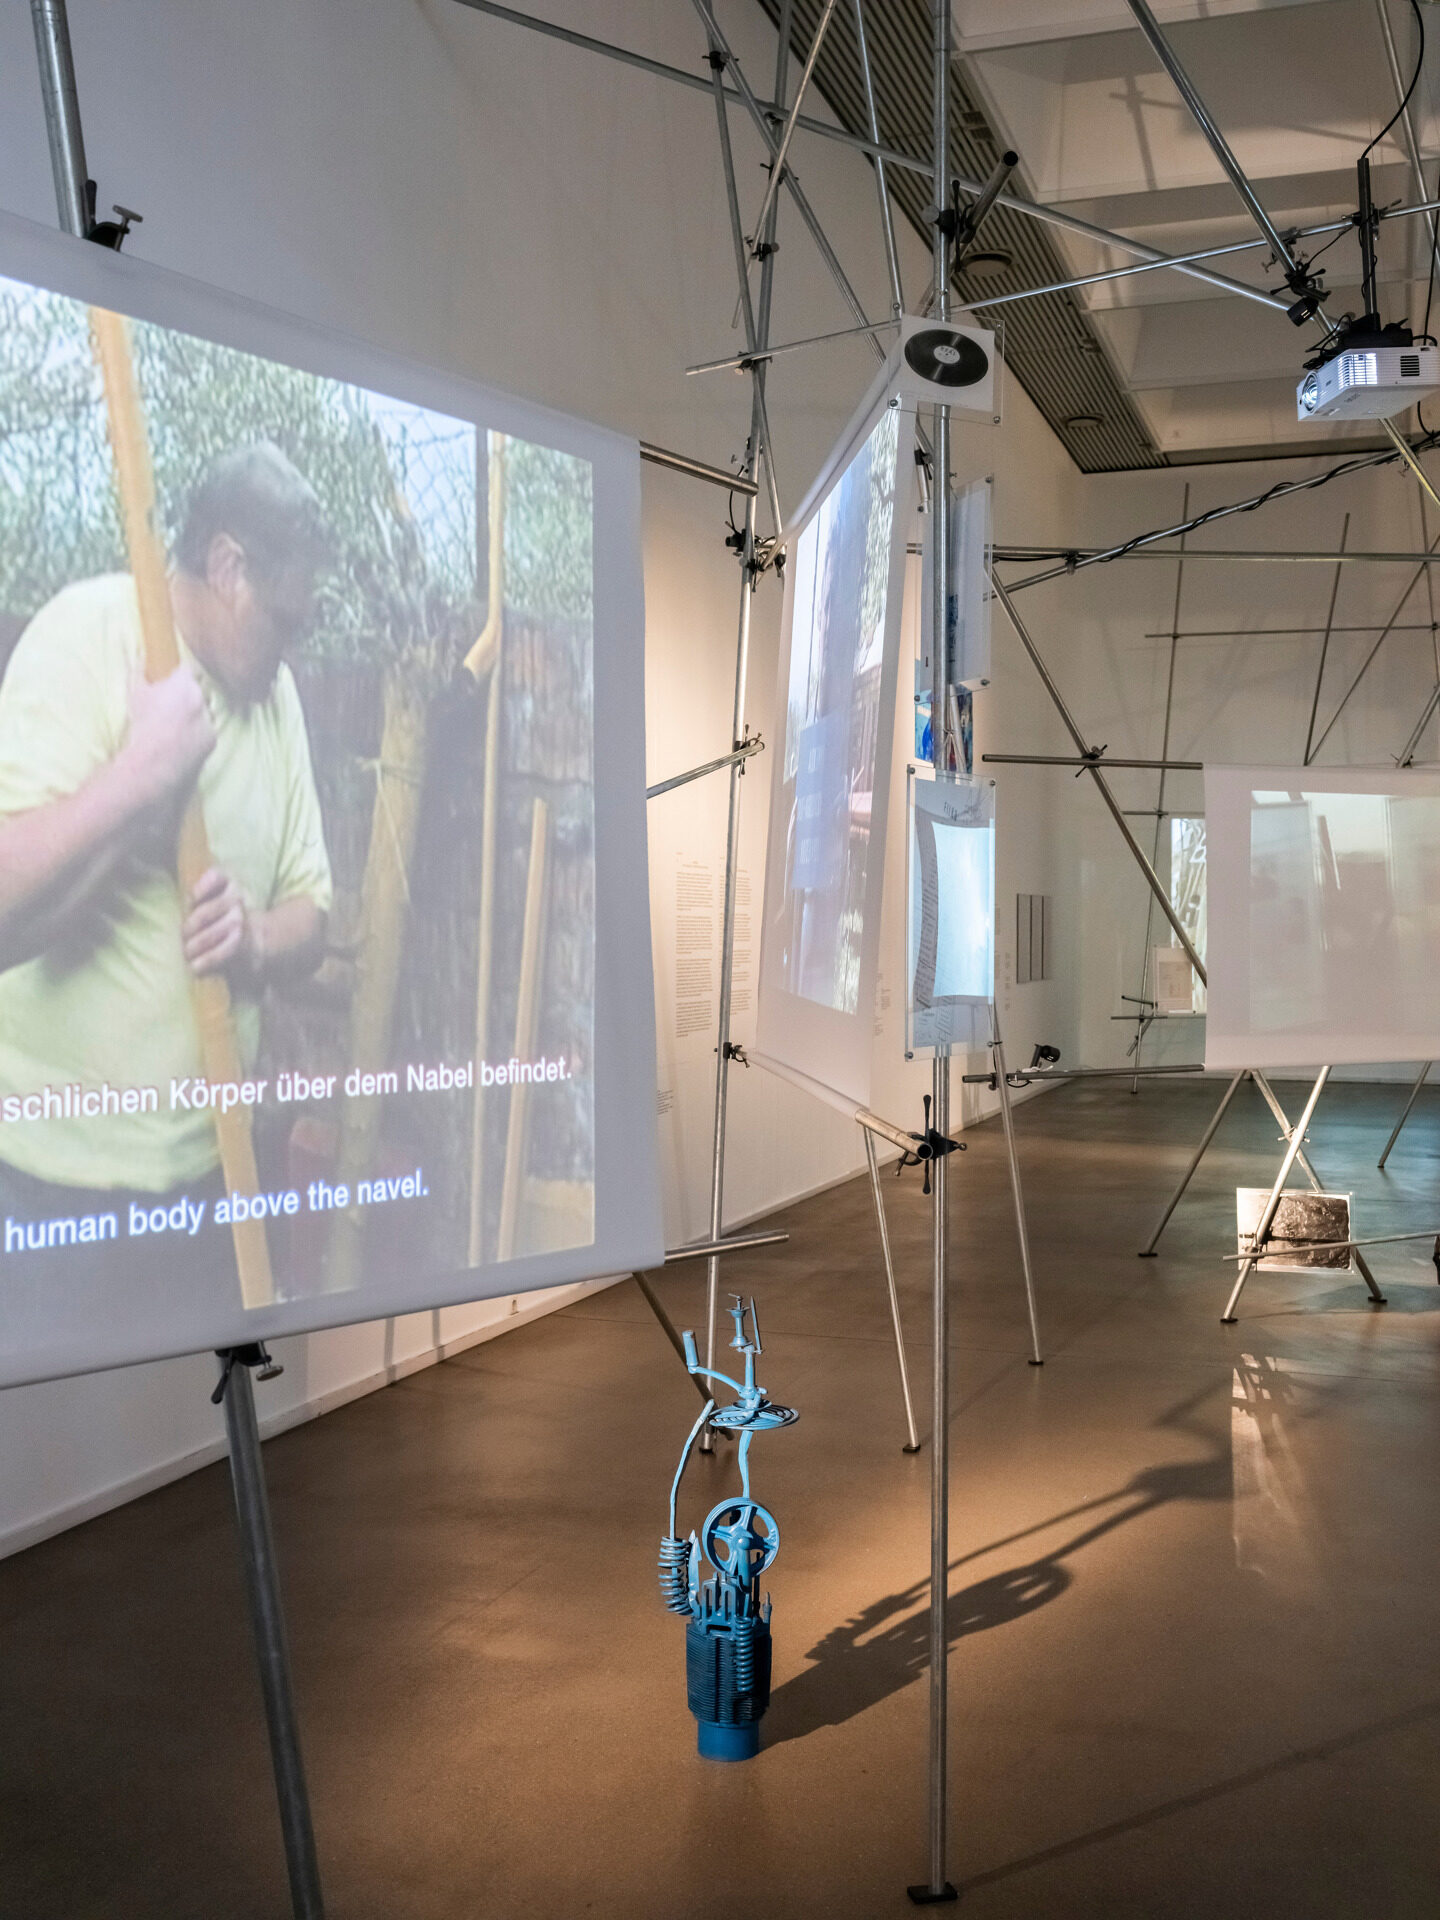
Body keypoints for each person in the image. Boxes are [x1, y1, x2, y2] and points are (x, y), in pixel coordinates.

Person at [0, 443, 334, 1308]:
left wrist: (254, 939)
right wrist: (138, 781)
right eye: (283, 621)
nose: (289, 649)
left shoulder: (276, 700)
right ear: (228, 566)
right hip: (50, 1197)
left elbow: (312, 912)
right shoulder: (91, 637)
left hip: (213, 1182)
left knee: (209, 1403)